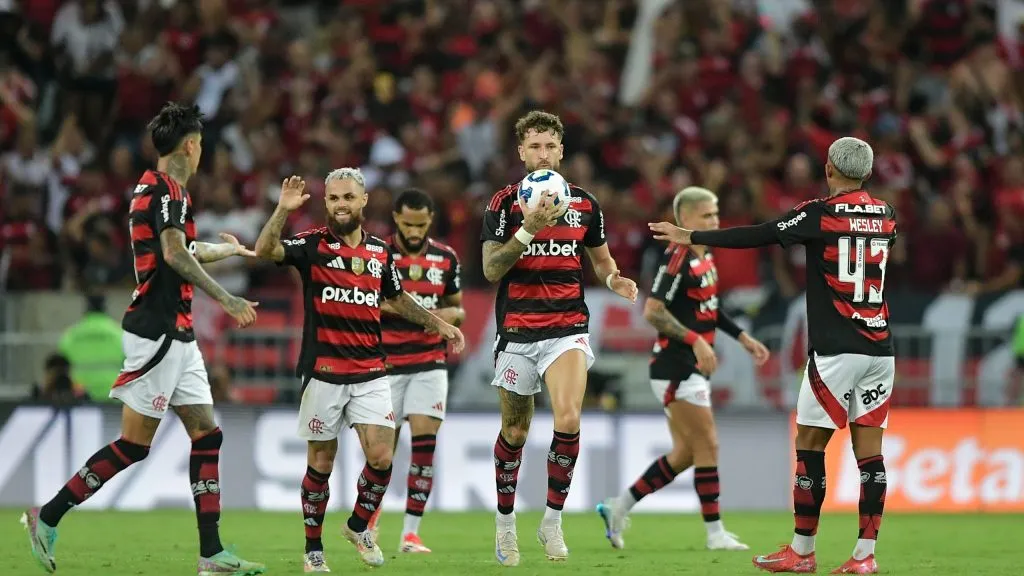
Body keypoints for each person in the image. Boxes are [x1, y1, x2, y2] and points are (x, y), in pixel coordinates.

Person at [21, 102, 265, 576]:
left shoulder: (154, 189)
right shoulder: (170, 192)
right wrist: (228, 298)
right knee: (134, 445)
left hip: (179, 332)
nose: (201, 154)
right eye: (200, 147)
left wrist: (227, 250)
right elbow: (174, 254)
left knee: (206, 434)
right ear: (192, 146)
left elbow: (184, 249)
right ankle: (46, 516)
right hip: (158, 331)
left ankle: (211, 555)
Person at [650, 137, 896, 575]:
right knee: (870, 455)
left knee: (809, 445)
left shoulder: (820, 213)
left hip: (837, 350)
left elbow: (761, 235)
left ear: (828, 169)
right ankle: (864, 557)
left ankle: (802, 552)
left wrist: (693, 236)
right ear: (868, 173)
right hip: (881, 349)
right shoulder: (887, 215)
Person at [253, 170, 465, 572]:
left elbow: (399, 300)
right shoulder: (312, 245)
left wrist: (440, 325)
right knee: (320, 463)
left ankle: (357, 526)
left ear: (364, 200)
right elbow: (265, 251)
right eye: (333, 198)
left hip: (370, 371)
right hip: (323, 371)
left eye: (348, 197)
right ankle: (313, 549)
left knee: (382, 457)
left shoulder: (380, 253)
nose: (340, 205)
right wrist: (282, 209)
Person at [480, 110, 638, 566]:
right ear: (520, 152)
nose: (542, 154)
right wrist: (530, 228)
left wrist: (614, 281)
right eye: (534, 146)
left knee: (568, 419)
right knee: (515, 429)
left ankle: (552, 520)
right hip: (516, 332)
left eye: (550, 146)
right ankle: (506, 525)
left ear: (562, 151)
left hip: (567, 328)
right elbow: (491, 269)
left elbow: (603, 262)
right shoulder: (504, 204)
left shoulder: (585, 204)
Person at [597, 186, 770, 552]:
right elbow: (652, 310)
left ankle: (618, 507)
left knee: (685, 454)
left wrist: (741, 337)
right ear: (685, 220)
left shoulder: (704, 255)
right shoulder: (676, 257)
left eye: (716, 215)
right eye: (707, 216)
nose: (715, 221)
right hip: (675, 366)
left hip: (689, 366)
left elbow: (709, 306)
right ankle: (715, 534)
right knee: (708, 444)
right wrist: (695, 339)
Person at [364, 188, 464, 553]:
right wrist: (418, 313)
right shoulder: (377, 254)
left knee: (424, 446)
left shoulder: (446, 258)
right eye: (408, 223)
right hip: (385, 364)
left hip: (429, 363)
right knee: (380, 454)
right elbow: (367, 303)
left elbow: (458, 308)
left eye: (421, 224)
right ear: (396, 219)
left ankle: (411, 533)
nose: (415, 231)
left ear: (430, 221)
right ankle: (369, 525)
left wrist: (449, 317)